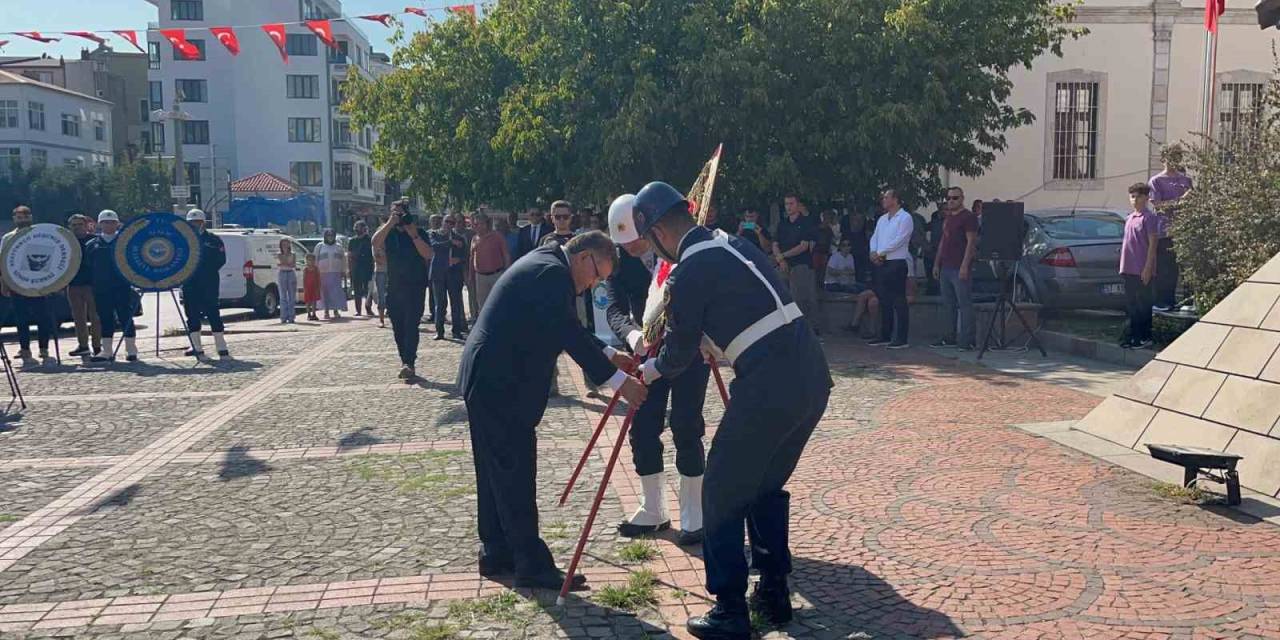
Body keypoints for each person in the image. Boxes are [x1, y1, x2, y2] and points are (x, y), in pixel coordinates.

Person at [631, 182, 831, 639]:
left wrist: (648, 372)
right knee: (763, 484)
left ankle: (729, 611)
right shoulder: (732, 243)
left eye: (651, 241)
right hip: (811, 375)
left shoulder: (687, 273)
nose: (655, 252)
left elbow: (677, 356)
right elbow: (745, 306)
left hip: (768, 383)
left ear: (659, 229)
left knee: (720, 489)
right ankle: (774, 591)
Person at [458, 230, 647, 589]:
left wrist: (609, 355)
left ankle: (496, 552)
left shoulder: (548, 265)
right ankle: (531, 564)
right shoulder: (552, 274)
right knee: (514, 473)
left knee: (495, 470)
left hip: (491, 378)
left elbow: (563, 326)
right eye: (596, 276)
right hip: (499, 383)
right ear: (583, 258)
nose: (593, 286)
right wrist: (621, 384)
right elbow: (568, 332)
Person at [605, 194, 711, 546]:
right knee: (643, 427)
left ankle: (694, 514)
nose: (631, 248)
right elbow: (614, 308)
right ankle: (654, 509)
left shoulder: (679, 247)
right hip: (645, 350)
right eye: (625, 244)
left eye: (635, 239)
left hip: (687, 349)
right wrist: (632, 334)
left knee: (686, 425)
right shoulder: (619, 260)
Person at [373, 199, 433, 379]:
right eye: (395, 213)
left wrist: (413, 234)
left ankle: (410, 362)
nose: (399, 216)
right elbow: (375, 243)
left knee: (411, 324)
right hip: (395, 286)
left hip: (415, 285)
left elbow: (428, 254)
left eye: (401, 213)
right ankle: (404, 360)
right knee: (398, 325)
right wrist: (389, 223)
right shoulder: (388, 233)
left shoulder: (419, 232)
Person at [0, 205, 55, 363]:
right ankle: (25, 350)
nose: (22, 220)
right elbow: (3, 262)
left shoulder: (41, 235)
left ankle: (44, 349)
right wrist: (3, 282)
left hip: (39, 283)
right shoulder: (8, 238)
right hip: (17, 284)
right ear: (14, 219)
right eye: (19, 217)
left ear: (30, 217)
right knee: (21, 319)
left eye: (25, 217)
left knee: (42, 318)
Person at [85, 210, 138, 362]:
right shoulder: (92, 245)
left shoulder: (125, 243)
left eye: (111, 222)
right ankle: (107, 351)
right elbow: (89, 267)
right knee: (105, 318)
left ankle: (131, 350)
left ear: (117, 223)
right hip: (101, 288)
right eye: (105, 222)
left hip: (122, 286)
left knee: (126, 317)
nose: (109, 225)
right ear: (99, 224)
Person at [931, 187, 980, 351]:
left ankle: (967, 340)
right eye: (949, 198)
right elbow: (942, 242)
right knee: (948, 304)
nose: (951, 201)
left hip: (959, 267)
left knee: (964, 304)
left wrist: (965, 266)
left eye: (955, 198)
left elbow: (971, 242)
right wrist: (937, 263)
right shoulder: (948, 218)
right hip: (946, 266)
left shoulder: (968, 217)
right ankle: (948, 337)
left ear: (962, 198)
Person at [1148, 144, 1192, 311]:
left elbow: (1192, 204)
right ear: (1163, 159)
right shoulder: (1156, 181)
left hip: (1185, 230)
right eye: (1171, 157)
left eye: (1177, 156)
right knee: (1166, 269)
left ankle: (1185, 302)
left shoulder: (1186, 180)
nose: (1174, 160)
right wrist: (1181, 201)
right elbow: (1158, 206)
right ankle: (1163, 302)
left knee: (1185, 269)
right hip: (1165, 231)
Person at [181, 209, 230, 359]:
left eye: (197, 222)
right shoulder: (183, 241)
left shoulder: (214, 240)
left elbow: (221, 259)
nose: (195, 225)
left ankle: (221, 346)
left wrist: (205, 270)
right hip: (190, 282)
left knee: (213, 312)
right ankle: (196, 346)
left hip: (209, 281)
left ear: (203, 223)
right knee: (192, 314)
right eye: (192, 223)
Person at [868, 190, 913, 349]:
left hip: (896, 262)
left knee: (898, 300)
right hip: (881, 263)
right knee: (883, 299)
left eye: (887, 197)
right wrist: (873, 252)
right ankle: (885, 334)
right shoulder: (882, 219)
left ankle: (901, 338)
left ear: (896, 199)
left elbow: (900, 240)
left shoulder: (905, 218)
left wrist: (881, 252)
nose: (884, 200)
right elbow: (875, 237)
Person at [772, 193, 820, 335]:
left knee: (801, 299)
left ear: (798, 205)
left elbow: (804, 246)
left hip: (801, 265)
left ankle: (808, 330)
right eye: (786, 204)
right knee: (780, 296)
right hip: (783, 265)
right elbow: (775, 243)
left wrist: (783, 256)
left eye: (791, 203)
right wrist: (780, 259)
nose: (788, 207)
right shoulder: (782, 223)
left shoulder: (806, 222)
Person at [1121, 183, 1160, 349]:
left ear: (1146, 198)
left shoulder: (1149, 218)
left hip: (1142, 269)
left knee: (1143, 304)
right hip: (1128, 268)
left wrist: (1148, 267)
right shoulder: (1130, 217)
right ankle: (1132, 337)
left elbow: (1153, 243)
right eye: (1132, 196)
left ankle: (1144, 337)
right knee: (1131, 305)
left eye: (1138, 196)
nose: (1134, 200)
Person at [66, 213, 102, 357]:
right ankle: (83, 345)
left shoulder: (94, 240)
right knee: (78, 318)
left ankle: (97, 346)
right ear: (70, 227)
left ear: (86, 225)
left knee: (95, 317)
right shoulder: (67, 242)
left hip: (91, 285)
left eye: (80, 224)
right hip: (73, 284)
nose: (77, 227)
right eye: (74, 225)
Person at [429, 214, 467, 340]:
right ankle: (439, 331)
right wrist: (450, 243)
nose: (449, 224)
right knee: (440, 303)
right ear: (442, 222)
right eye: (447, 222)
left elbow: (465, 255)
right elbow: (435, 246)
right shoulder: (435, 234)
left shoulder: (459, 238)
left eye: (452, 222)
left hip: (454, 274)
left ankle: (456, 331)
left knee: (455, 303)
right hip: (439, 274)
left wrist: (458, 259)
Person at [470, 212, 511, 313]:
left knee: (498, 304)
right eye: (474, 224)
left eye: (477, 224)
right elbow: (471, 258)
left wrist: (507, 274)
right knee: (482, 306)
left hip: (496, 275)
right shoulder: (474, 238)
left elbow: (506, 255)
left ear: (485, 224)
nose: (474, 226)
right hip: (480, 277)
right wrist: (471, 276)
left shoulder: (497, 236)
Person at [314, 228, 347, 320]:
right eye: (328, 235)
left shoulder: (339, 247)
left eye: (332, 235)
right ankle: (326, 311)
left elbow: (343, 260)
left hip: (336, 273)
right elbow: (315, 259)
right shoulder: (319, 246)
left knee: (335, 293)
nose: (330, 237)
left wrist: (344, 270)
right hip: (322, 274)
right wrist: (316, 271)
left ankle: (336, 311)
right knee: (325, 293)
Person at [347, 221, 374, 317]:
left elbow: (373, 254)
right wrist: (349, 269)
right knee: (357, 290)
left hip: (367, 267)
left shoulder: (369, 240)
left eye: (359, 227)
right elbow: (349, 255)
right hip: (356, 268)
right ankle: (358, 310)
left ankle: (368, 308)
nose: (357, 229)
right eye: (356, 227)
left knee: (368, 290)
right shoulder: (352, 241)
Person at [276, 238, 298, 324]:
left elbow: (293, 265)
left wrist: (285, 263)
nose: (285, 246)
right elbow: (280, 262)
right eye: (283, 244)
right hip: (282, 273)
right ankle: (283, 317)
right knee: (283, 296)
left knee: (292, 296)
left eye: (286, 244)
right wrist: (285, 261)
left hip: (290, 273)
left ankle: (291, 317)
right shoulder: (279, 254)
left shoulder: (293, 254)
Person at [372, 223, 389, 328]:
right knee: (381, 295)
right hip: (380, 271)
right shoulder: (375, 245)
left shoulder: (391, 242)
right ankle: (381, 319)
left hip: (392, 271)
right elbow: (378, 260)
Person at [303, 253, 321, 321]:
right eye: (309, 260)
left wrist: (319, 287)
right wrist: (304, 288)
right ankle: (308, 314)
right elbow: (304, 279)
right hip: (308, 287)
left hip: (315, 287)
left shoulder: (316, 269)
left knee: (314, 301)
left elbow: (318, 278)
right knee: (308, 301)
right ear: (306, 261)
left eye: (312, 260)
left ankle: (314, 314)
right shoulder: (305, 269)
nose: (311, 261)